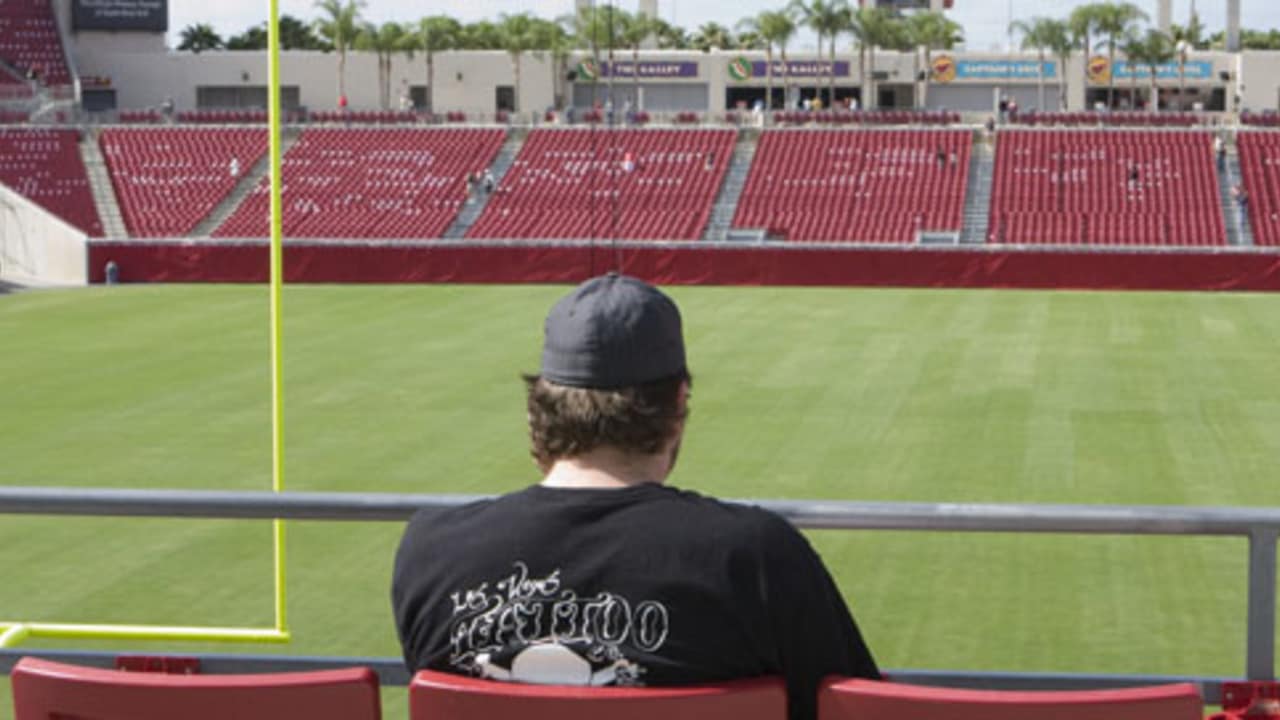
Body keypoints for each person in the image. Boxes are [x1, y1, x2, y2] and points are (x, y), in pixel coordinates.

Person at [392, 274, 879, 720]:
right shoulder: (757, 558)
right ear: (679, 405)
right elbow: (857, 710)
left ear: (536, 413)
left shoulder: (429, 552)